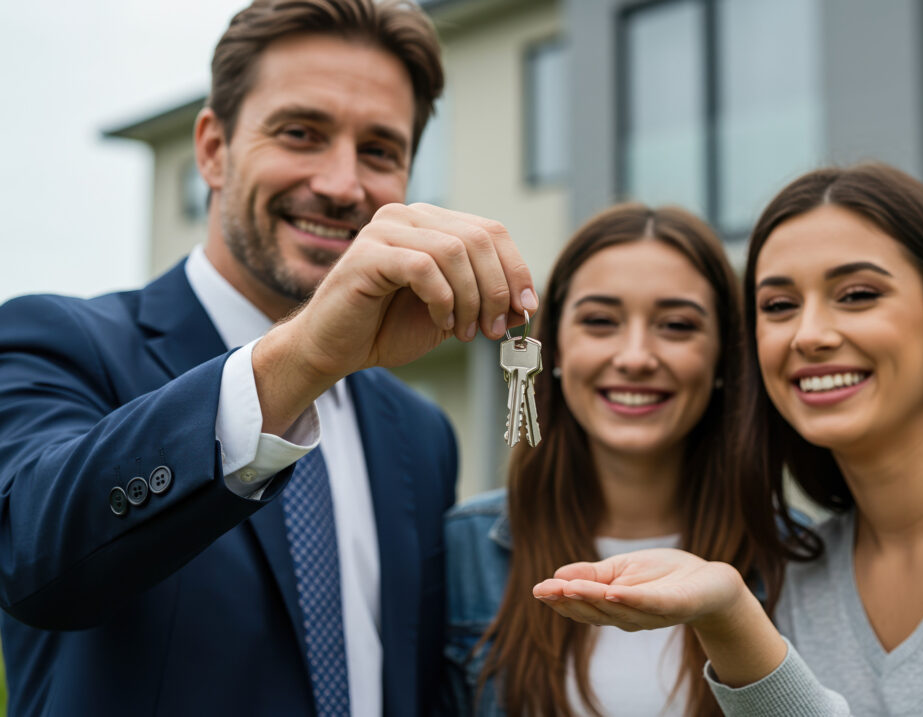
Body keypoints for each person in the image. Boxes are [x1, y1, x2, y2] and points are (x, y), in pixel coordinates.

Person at [0, 1, 537, 715]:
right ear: (212, 149)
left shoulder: (419, 433)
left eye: (380, 151)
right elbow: (30, 554)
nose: (343, 184)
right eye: (300, 133)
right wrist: (304, 354)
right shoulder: (59, 341)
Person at [533, 164, 923, 715]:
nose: (809, 335)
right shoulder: (799, 565)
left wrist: (734, 620)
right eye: (779, 306)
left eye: (858, 294)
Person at [442, 203, 779, 716]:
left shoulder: (795, 558)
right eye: (600, 321)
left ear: (722, 358)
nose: (635, 356)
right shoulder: (462, 549)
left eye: (676, 325)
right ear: (554, 352)